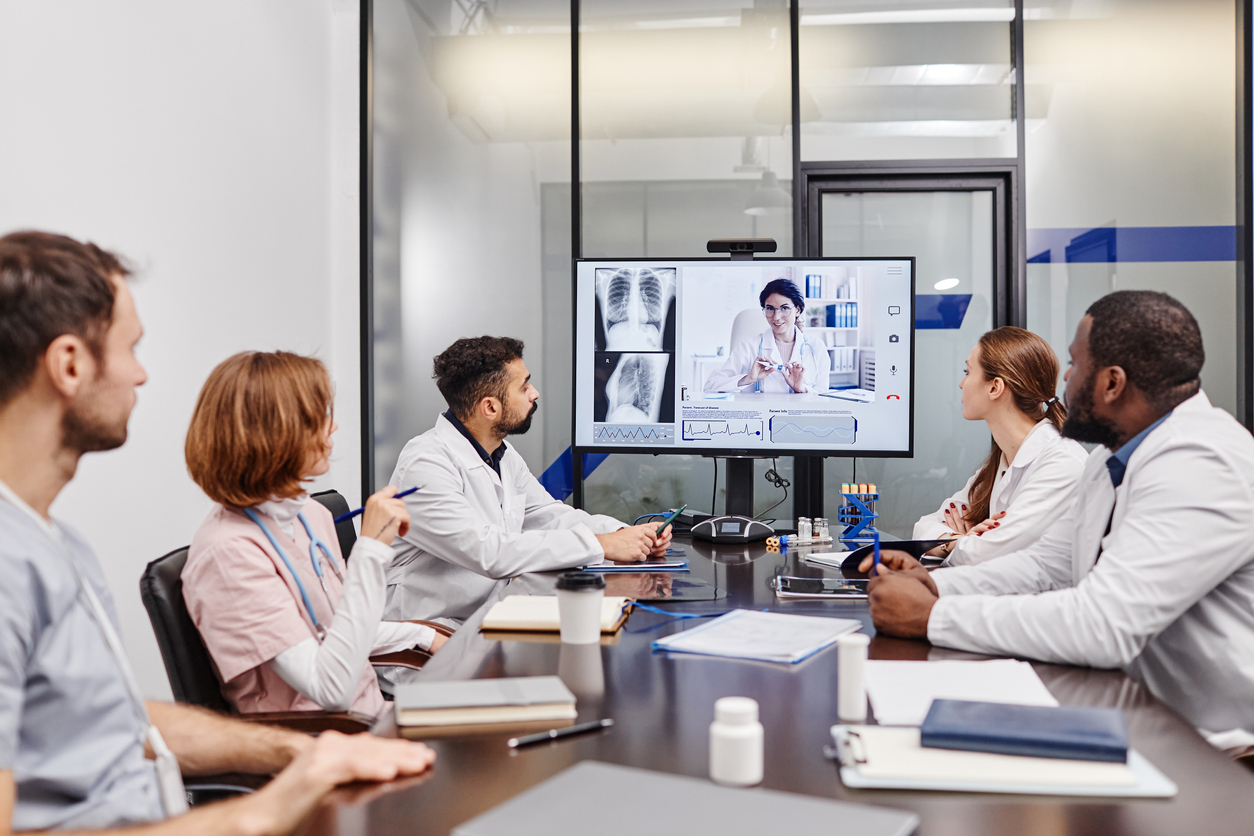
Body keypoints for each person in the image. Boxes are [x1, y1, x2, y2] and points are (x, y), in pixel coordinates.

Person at [0, 231, 434, 833]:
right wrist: (261, 813)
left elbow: (121, 721)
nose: (143, 374)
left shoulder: (57, 545)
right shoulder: (10, 569)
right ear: (70, 364)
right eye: (130, 348)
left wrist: (305, 755)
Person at [864, 291, 1254, 743]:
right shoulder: (1110, 463)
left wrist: (932, 616)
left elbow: (1102, 625)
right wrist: (934, 583)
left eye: (1075, 364)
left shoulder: (1203, 462)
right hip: (1128, 710)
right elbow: (1046, 567)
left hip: (1207, 747)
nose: (1064, 379)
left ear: (1112, 383)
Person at [182, 352, 446, 718]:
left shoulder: (310, 514)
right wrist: (370, 550)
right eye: (320, 417)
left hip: (374, 713)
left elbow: (337, 630)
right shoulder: (227, 554)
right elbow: (331, 691)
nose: (333, 427)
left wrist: (424, 637)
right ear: (274, 435)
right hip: (323, 738)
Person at [384, 336, 672, 626]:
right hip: (433, 634)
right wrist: (603, 545)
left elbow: (550, 516)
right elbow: (490, 551)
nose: (534, 393)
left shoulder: (499, 454)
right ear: (490, 408)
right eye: (523, 386)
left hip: (489, 616)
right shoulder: (425, 465)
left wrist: (627, 534)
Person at [912, 327, 1087, 565]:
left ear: (995, 387)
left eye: (967, 372)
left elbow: (988, 554)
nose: (962, 384)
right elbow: (924, 527)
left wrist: (964, 543)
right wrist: (955, 541)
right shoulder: (1002, 462)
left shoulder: (1062, 463)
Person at [704, 278, 828, 394]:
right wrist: (748, 379)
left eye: (784, 308)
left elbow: (823, 397)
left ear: (798, 310)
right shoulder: (748, 347)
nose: (776, 317)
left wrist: (802, 390)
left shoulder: (817, 347)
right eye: (770, 308)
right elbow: (710, 386)